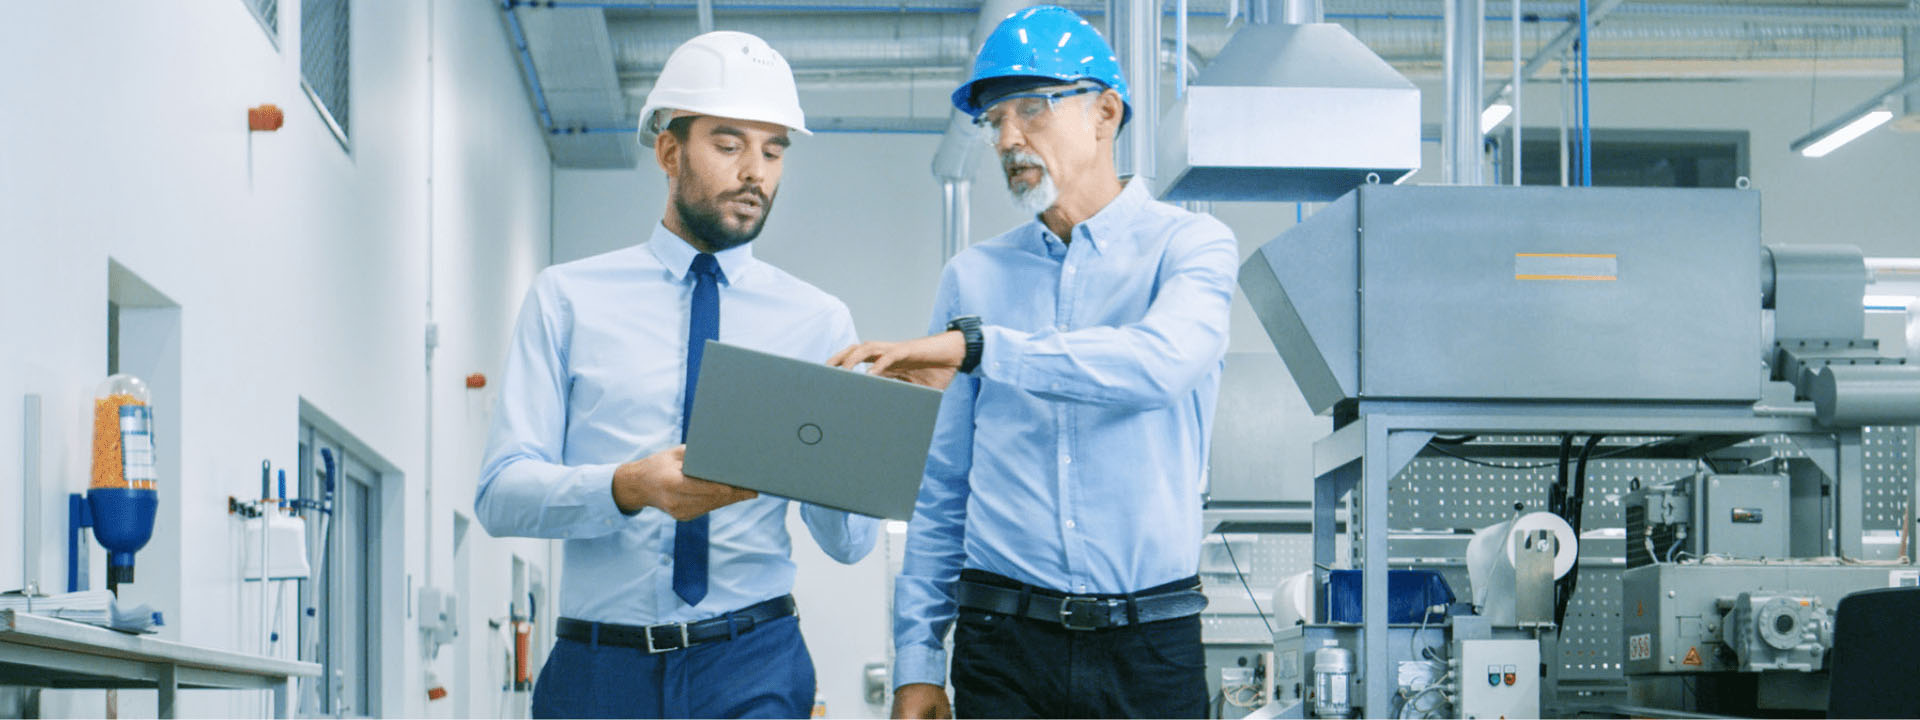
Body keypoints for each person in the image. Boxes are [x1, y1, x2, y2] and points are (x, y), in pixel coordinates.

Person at [829, 6, 1239, 719]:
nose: (1008, 138)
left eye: (1033, 110)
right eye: (994, 120)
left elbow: (1160, 364)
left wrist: (982, 349)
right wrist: (917, 661)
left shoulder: (1192, 247)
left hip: (1153, 646)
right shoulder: (973, 278)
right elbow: (942, 489)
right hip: (1004, 644)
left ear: (1105, 114)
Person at [476, 31, 878, 720]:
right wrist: (627, 488)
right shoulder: (569, 298)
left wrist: (853, 450)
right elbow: (500, 494)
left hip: (753, 659)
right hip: (600, 670)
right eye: (729, 144)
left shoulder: (818, 320)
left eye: (773, 150)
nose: (755, 170)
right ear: (669, 150)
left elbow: (849, 545)